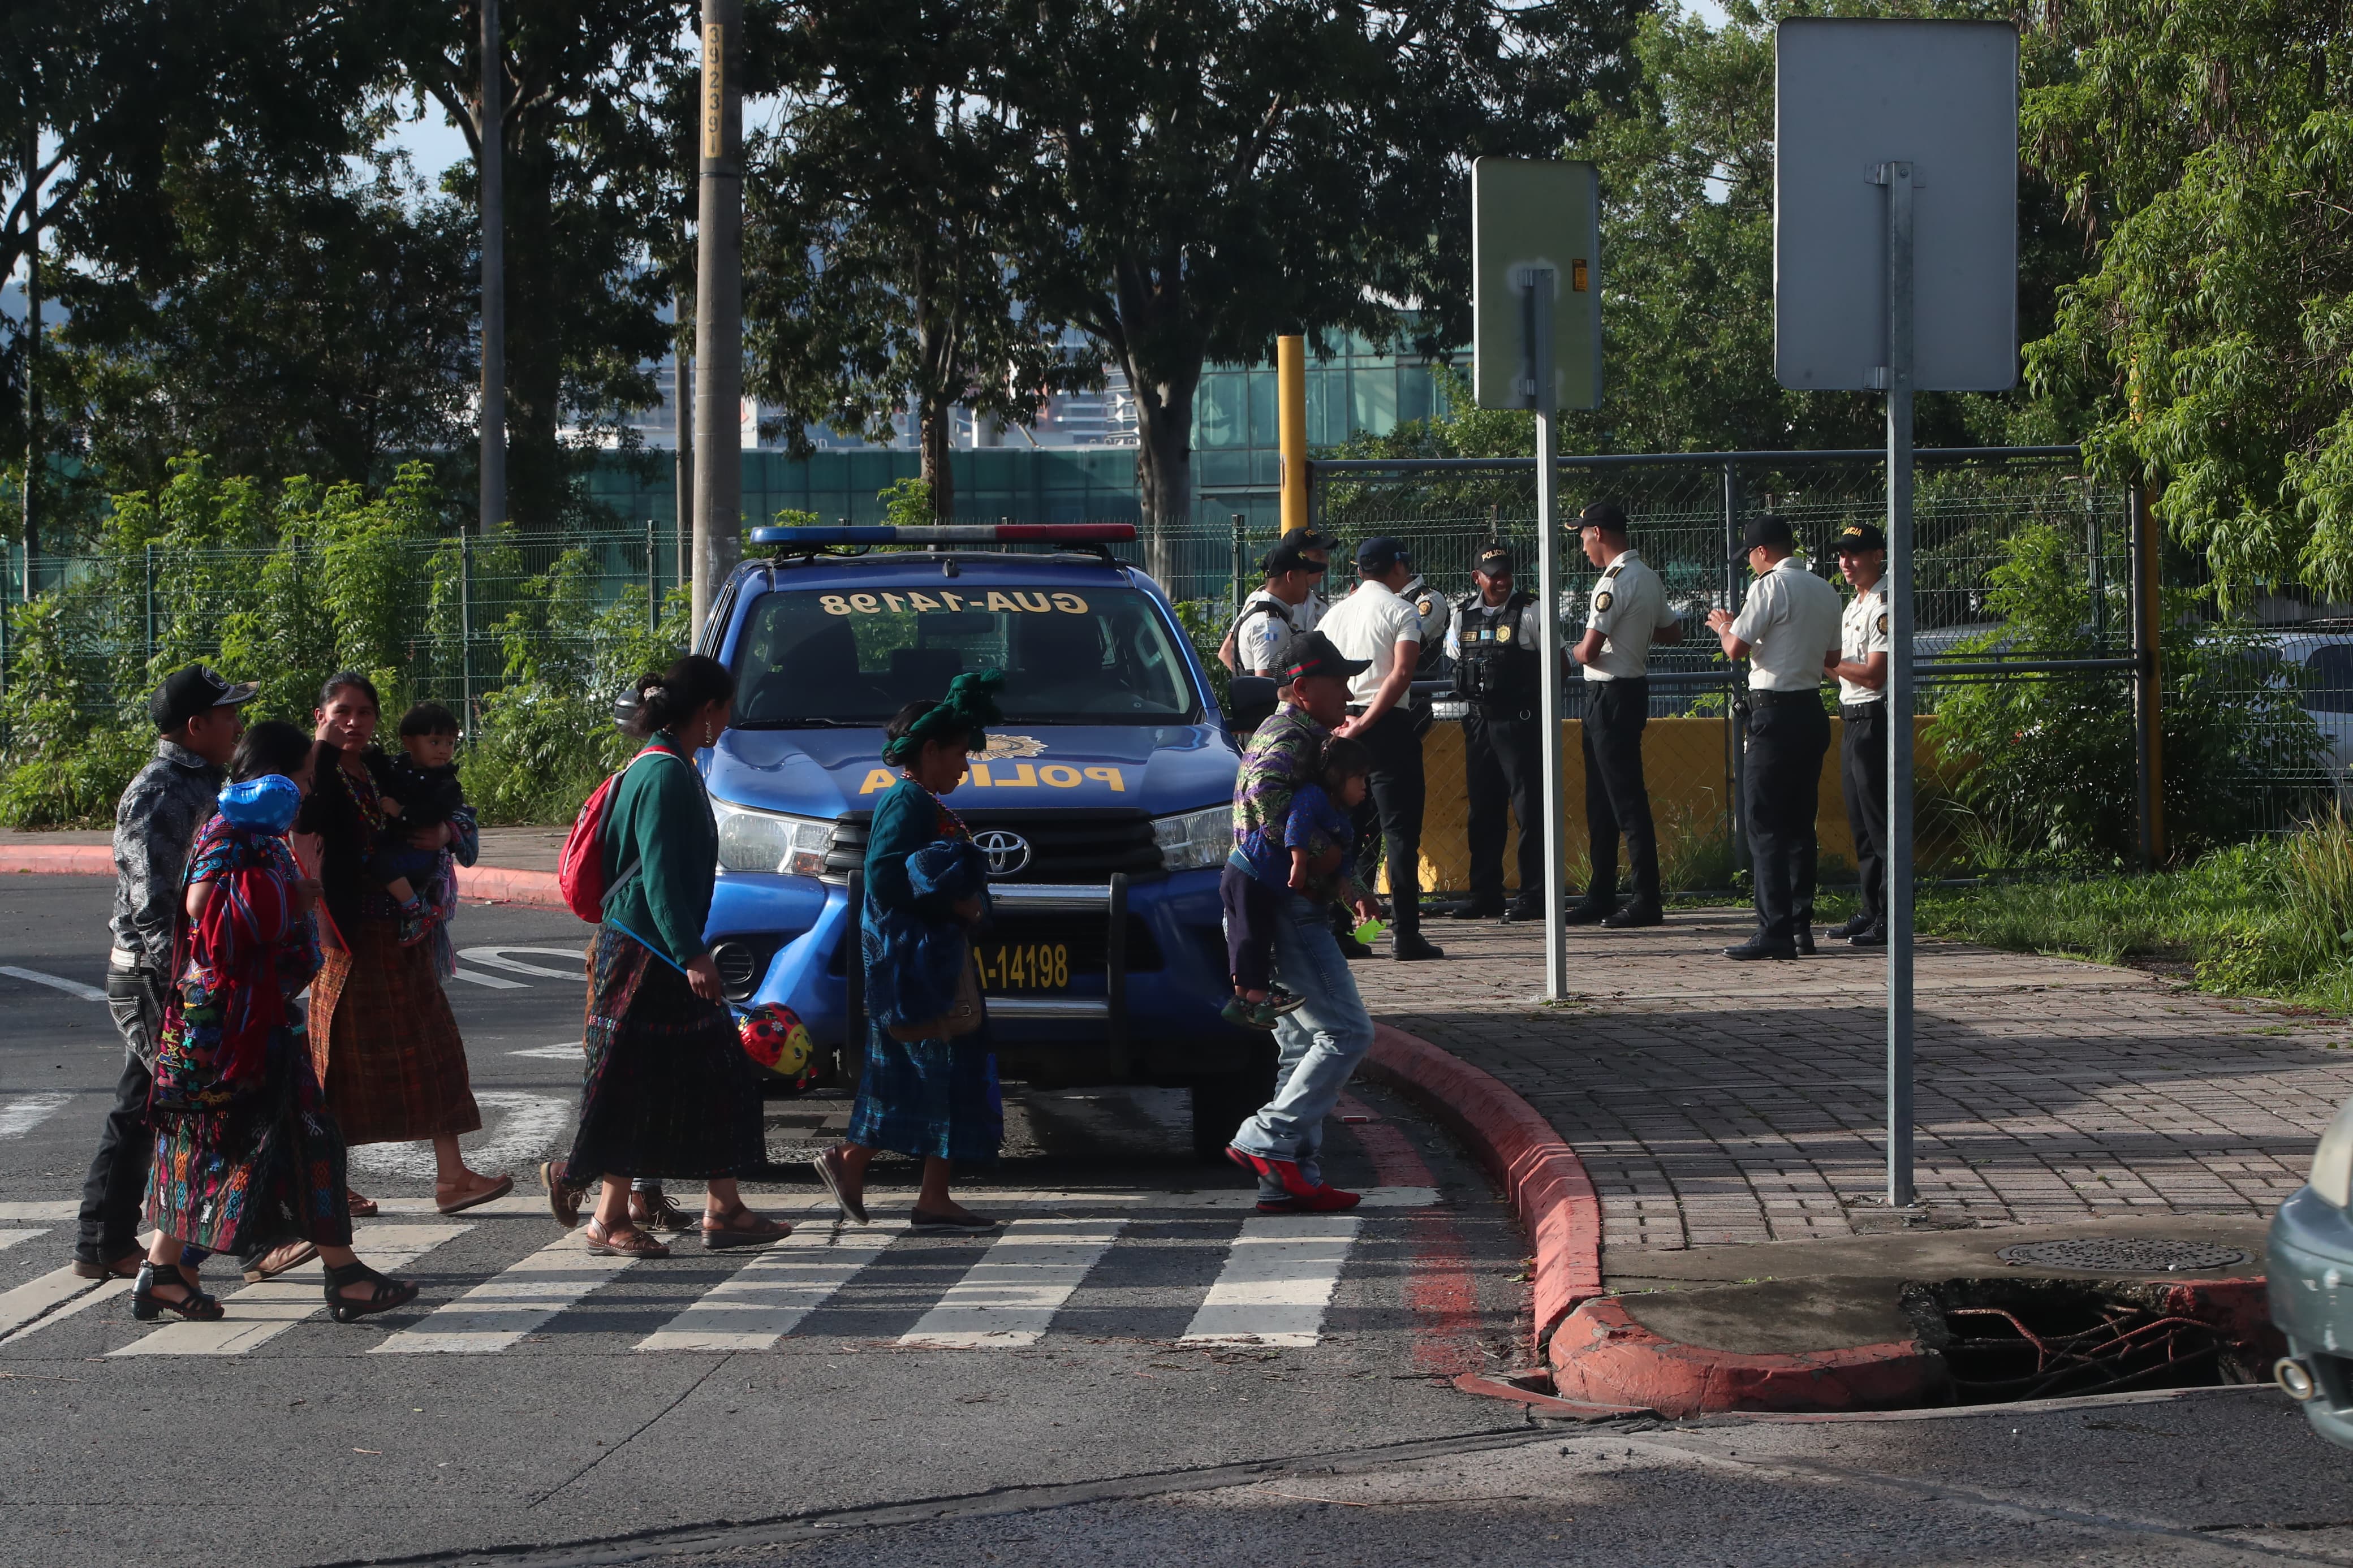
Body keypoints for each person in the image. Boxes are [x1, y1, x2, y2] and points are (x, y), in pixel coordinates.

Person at [137, 720, 420, 1324]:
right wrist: (289, 895)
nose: (305, 786)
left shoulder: (259, 832)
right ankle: (338, 1274)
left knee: (260, 1143)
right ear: (273, 775)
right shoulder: (230, 825)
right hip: (229, 1029)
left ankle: (171, 1269)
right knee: (249, 1144)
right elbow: (200, 905)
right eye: (300, 775)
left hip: (255, 1021)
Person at [77, 665, 295, 1284]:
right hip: (157, 973)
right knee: (203, 1103)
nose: (238, 725)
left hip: (180, 973)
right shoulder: (159, 790)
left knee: (144, 1105)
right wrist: (187, 978)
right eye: (228, 716)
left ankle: (105, 1243)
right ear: (195, 727)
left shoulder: (205, 782)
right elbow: (151, 900)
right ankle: (249, 1241)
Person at [562, 654, 784, 1257]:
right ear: (708, 711)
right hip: (643, 957)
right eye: (727, 706)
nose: (728, 718)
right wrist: (693, 954)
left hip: (660, 951)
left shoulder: (675, 766)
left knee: (717, 1075)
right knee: (632, 1085)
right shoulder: (660, 774)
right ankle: (608, 1217)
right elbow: (658, 879)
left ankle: (725, 1208)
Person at [298, 672, 508, 1216]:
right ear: (320, 714)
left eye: (365, 712)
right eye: (342, 711)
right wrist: (320, 751)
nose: (354, 721)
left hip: (403, 933)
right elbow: (305, 825)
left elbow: (448, 804)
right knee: (336, 1062)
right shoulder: (313, 773)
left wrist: (446, 832)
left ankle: (453, 1175)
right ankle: (325, 1180)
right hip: (347, 941)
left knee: (433, 1045)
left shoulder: (379, 769)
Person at [811, 672, 1008, 1230]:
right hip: (917, 971)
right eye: (958, 756)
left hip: (926, 965)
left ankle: (907, 1185)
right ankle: (871, 1170)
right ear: (928, 750)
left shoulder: (919, 801)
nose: (963, 768)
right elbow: (885, 878)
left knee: (922, 1074)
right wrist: (954, 907)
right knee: (933, 1072)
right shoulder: (908, 802)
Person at [1223, 633, 1383, 1213]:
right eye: (1338, 681)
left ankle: (1289, 1177)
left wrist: (1352, 889)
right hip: (1290, 907)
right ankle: (1263, 1139)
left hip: (1286, 903)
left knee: (1299, 1042)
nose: (1347, 690)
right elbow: (1266, 802)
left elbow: (1321, 829)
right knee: (1347, 1031)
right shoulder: (1288, 736)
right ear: (1300, 688)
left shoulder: (1308, 737)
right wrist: (1321, 861)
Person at [1705, 516, 1845, 961]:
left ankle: (1774, 929)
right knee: (1801, 823)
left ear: (1763, 551)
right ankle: (1801, 925)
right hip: (1810, 711)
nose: (1749, 563)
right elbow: (1834, 657)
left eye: (1749, 555)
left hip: (1773, 715)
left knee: (1765, 824)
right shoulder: (1825, 589)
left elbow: (1736, 648)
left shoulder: (1768, 587)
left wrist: (1725, 626)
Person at [1319, 537, 1443, 961]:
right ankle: (1405, 933)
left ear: (1358, 571)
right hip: (1387, 726)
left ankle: (1348, 931)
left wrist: (1345, 727)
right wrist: (1370, 722)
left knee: (1349, 834)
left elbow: (1319, 673)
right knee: (1399, 833)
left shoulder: (1334, 615)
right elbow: (1403, 671)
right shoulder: (1401, 609)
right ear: (1396, 568)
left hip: (1342, 724)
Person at [1568, 502, 1684, 930]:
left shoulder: (1613, 582)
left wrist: (1569, 654)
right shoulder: (1647, 576)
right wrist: (1637, 627)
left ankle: (1645, 898)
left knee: (1624, 801)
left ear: (1598, 532)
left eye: (1583, 536)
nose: (1582, 546)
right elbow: (1673, 632)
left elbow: (1590, 649)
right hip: (1627, 692)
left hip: (1609, 693)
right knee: (1601, 800)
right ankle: (1601, 894)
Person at [1219, 736, 1372, 1029]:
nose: (1365, 786)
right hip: (1253, 872)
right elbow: (1296, 824)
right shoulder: (1314, 796)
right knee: (1256, 935)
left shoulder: (1342, 817)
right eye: (1359, 777)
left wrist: (1353, 894)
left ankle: (1241, 1001)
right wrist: (1300, 863)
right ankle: (1263, 998)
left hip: (1242, 872)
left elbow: (1346, 859)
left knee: (1242, 936)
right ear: (1336, 776)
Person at [1445, 545, 1544, 921]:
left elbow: (1560, 663)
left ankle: (1534, 894)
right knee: (1483, 810)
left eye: (1506, 573)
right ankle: (1485, 894)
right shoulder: (1462, 615)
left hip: (1519, 720)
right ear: (1477, 578)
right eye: (1493, 574)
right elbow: (1456, 659)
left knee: (1529, 808)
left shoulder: (1531, 610)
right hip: (1478, 721)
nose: (1502, 581)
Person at [1826, 521, 1893, 948]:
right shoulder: (1854, 605)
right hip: (1851, 717)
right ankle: (1871, 909)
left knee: (1882, 824)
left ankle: (1893, 914)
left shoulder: (1884, 602)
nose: (1845, 562)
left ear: (1877, 556)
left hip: (1875, 718)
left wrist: (1824, 662)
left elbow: (1874, 673)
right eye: (1841, 554)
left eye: (1855, 553)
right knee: (1861, 824)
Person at [371, 701, 468, 949]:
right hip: (402, 846)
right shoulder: (398, 769)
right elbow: (381, 769)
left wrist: (402, 812)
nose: (444, 750)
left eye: (450, 743)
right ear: (409, 742)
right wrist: (369, 754)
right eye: (435, 742)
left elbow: (435, 814)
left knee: (380, 862)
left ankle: (416, 909)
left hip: (421, 853)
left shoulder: (445, 783)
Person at [1221, 538, 1329, 677]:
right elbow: (1267, 684)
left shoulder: (1269, 613)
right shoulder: (1270, 625)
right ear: (1290, 577)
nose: (1307, 585)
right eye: (1304, 577)